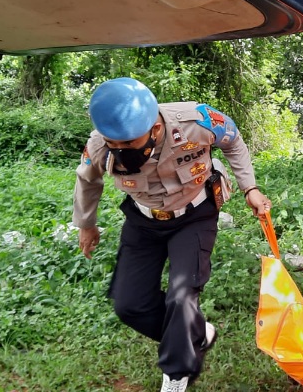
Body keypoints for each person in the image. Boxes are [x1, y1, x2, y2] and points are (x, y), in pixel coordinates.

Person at [72, 77, 272, 392]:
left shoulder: (197, 121)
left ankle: (177, 373)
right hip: (143, 220)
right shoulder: (101, 142)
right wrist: (86, 223)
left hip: (195, 214)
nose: (121, 150)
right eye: (116, 144)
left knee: (182, 295)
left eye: (129, 144)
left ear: (155, 129)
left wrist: (251, 187)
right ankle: (197, 333)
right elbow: (87, 179)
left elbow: (233, 140)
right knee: (129, 304)